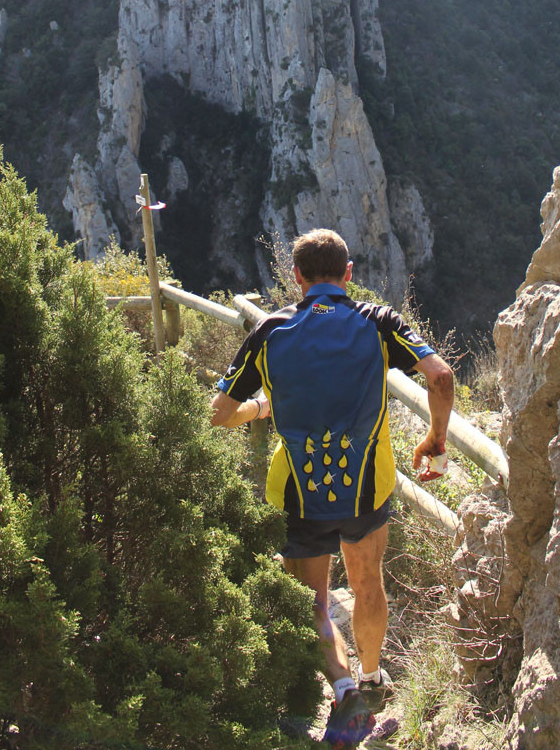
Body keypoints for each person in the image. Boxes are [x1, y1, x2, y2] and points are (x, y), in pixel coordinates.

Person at [210, 228, 454, 747]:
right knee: (368, 584)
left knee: (314, 601)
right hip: (368, 487)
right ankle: (371, 680)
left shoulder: (271, 330)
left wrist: (261, 408)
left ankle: (344, 694)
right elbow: (441, 376)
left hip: (299, 494)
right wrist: (435, 439)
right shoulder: (378, 322)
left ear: (296, 278)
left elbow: (219, 413)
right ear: (348, 276)